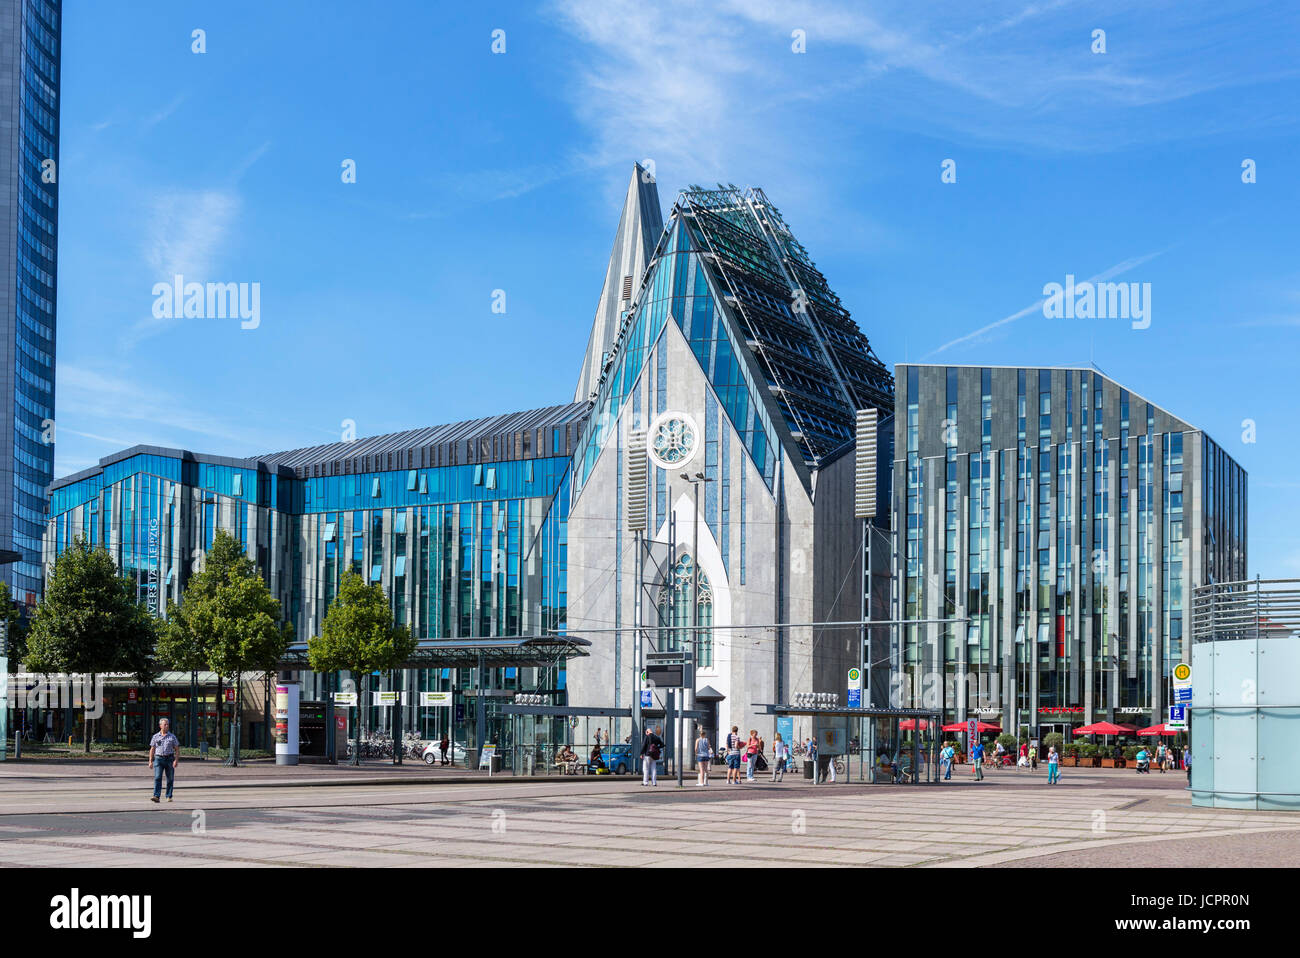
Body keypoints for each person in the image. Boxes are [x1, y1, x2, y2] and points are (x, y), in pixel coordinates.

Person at [148, 717, 180, 803]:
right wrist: (150, 761)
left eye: (167, 724)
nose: (167, 726)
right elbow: (152, 749)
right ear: (160, 726)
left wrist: (176, 760)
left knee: (170, 779)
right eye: (165, 724)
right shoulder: (155, 736)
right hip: (158, 759)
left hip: (169, 759)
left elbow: (177, 749)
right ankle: (156, 796)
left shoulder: (172, 737)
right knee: (157, 777)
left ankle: (169, 796)